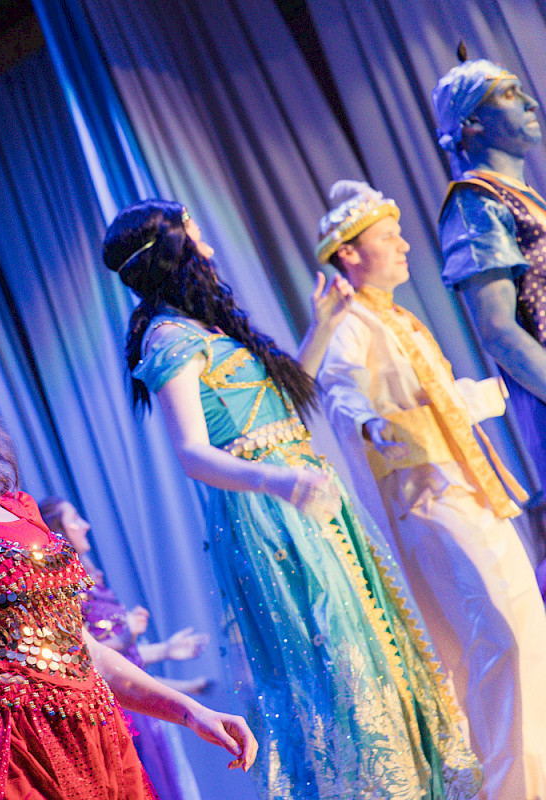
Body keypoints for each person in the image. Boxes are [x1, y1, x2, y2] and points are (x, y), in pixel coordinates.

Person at [104, 199, 482, 800]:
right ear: (173, 252)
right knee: (332, 659)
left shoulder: (205, 327)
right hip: (267, 515)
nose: (207, 244)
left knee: (371, 639)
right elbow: (192, 453)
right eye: (195, 232)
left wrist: (322, 326)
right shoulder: (170, 336)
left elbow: (279, 403)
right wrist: (276, 482)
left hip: (302, 495)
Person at [0, 322, 257, 800]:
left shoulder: (18, 510)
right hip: (15, 753)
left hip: (101, 739)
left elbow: (85, 651)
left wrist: (190, 711)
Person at [314, 179, 546, 800]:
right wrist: (371, 424)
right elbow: (340, 392)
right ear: (349, 254)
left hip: (467, 486)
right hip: (428, 497)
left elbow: (434, 402)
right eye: (389, 237)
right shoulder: (351, 324)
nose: (405, 246)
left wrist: (485, 397)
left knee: (525, 629)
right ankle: (512, 787)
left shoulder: (398, 318)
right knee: (497, 637)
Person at [38, 496, 206, 800]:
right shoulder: (64, 592)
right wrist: (130, 639)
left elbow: (118, 658)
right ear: (57, 532)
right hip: (119, 712)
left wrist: (165, 650)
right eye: (74, 520)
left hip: (138, 708)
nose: (85, 525)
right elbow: (87, 659)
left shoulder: (93, 583)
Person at [434, 58, 546, 488]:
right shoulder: (475, 203)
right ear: (473, 123)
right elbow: (498, 330)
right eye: (509, 94)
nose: (531, 103)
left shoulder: (524, 196)